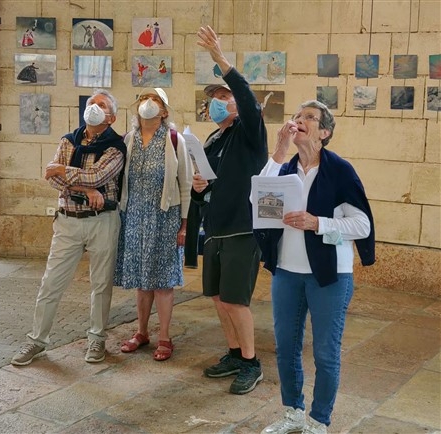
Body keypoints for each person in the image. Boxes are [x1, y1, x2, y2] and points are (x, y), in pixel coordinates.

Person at [257, 101, 375, 434]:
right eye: (296, 116)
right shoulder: (283, 168)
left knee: (325, 352)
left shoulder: (340, 171)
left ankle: (319, 419)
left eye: (309, 117)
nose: (299, 121)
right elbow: (258, 202)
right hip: (286, 272)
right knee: (285, 348)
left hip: (330, 276)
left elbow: (362, 225)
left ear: (324, 132)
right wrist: (277, 152)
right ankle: (292, 412)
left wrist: (318, 223)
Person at [11, 89, 126, 366]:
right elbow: (51, 178)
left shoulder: (116, 147)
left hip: (103, 222)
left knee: (100, 285)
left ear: (111, 117)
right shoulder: (68, 141)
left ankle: (97, 339)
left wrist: (64, 172)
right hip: (68, 221)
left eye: (101, 105)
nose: (94, 108)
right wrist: (84, 190)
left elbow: (99, 174)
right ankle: (37, 340)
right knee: (51, 283)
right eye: (91, 103)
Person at [191, 26, 268, 394]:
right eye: (213, 98)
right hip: (215, 229)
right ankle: (235, 353)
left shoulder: (249, 133)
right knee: (220, 299)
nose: (217, 102)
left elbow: (250, 101)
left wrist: (221, 60)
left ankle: (252, 363)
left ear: (236, 102)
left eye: (224, 95)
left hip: (241, 228)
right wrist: (199, 188)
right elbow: (209, 185)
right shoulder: (213, 140)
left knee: (237, 300)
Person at [115, 88, 192, 362]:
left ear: (165, 110)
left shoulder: (174, 140)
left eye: (156, 100)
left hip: (165, 218)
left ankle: (165, 336)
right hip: (134, 216)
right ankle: (142, 331)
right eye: (144, 99)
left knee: (163, 282)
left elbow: (185, 185)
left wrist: (184, 225)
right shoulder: (129, 140)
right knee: (141, 281)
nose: (148, 103)